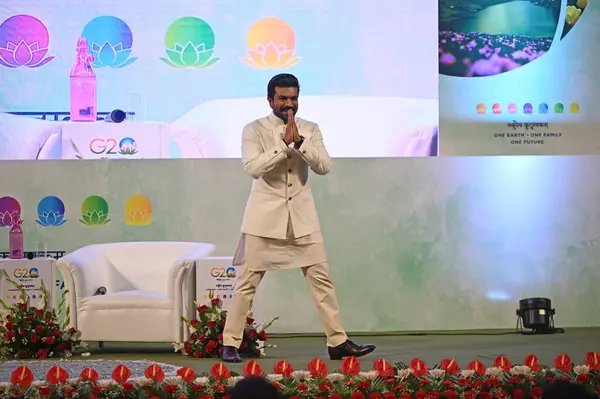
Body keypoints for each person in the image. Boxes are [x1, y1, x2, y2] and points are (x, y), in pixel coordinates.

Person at [221, 73, 376, 363]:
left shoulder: (310, 129)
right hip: (263, 219)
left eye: (293, 99)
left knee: (322, 281)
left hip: (302, 219)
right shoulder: (253, 129)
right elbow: (253, 168)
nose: (289, 105)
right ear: (270, 100)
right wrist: (283, 146)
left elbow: (324, 166)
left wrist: (300, 142)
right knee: (247, 282)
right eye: (283, 99)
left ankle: (337, 342)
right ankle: (230, 342)